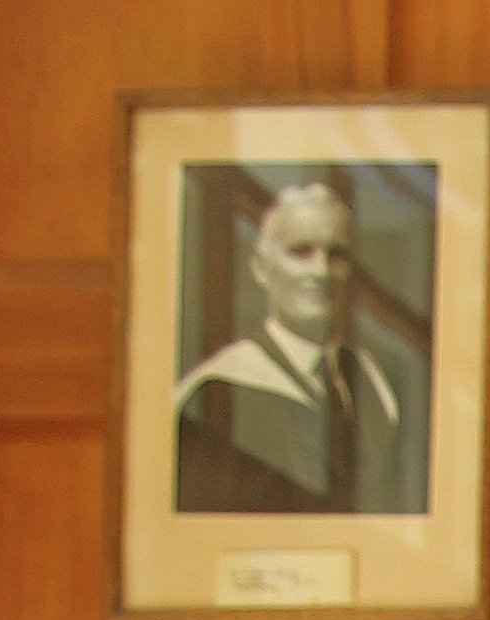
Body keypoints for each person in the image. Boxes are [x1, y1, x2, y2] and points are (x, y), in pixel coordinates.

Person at [174, 177, 428, 518]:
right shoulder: (215, 392)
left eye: (336, 255)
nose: (320, 271)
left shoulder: (379, 384)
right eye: (300, 251)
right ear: (261, 268)